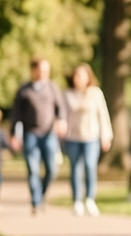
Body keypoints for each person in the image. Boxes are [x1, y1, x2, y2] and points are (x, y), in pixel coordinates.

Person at [9, 57, 67, 214]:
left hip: (48, 134)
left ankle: (40, 196)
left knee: (52, 169)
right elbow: (16, 114)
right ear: (33, 71)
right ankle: (35, 202)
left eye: (46, 71)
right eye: (41, 71)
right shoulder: (24, 90)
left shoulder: (53, 88)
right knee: (33, 170)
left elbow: (60, 108)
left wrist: (61, 121)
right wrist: (14, 134)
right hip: (30, 134)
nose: (43, 74)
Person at [63, 63, 113, 216]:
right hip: (72, 137)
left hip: (91, 136)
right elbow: (63, 116)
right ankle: (77, 200)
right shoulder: (67, 94)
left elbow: (103, 114)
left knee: (90, 166)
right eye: (77, 76)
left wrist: (106, 135)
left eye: (82, 76)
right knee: (75, 169)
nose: (79, 79)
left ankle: (90, 199)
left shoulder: (95, 93)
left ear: (88, 77)